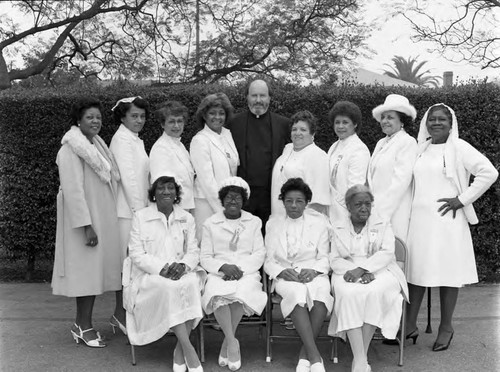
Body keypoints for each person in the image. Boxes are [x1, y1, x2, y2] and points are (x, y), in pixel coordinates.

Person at [405, 104, 498, 352]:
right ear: (426, 123)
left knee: (447, 275)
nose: (436, 123)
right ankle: (410, 324)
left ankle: (446, 327)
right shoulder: (420, 149)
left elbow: (488, 172)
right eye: (432, 119)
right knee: (416, 273)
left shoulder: (459, 147)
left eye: (441, 119)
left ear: (451, 122)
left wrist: (463, 199)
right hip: (419, 222)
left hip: (447, 223)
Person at [52, 98, 123, 348]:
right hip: (83, 223)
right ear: (78, 121)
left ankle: (83, 324)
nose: (96, 121)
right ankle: (82, 325)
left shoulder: (97, 145)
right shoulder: (70, 149)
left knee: (93, 275)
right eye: (90, 117)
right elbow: (73, 191)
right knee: (85, 275)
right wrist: (86, 225)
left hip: (99, 219)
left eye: (98, 117)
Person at [123, 176, 205, 372]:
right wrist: (163, 268)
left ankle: (179, 350)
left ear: (177, 194)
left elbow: (193, 251)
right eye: (161, 188)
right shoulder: (141, 217)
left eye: (170, 188)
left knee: (192, 283)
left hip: (182, 271)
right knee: (170, 287)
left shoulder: (187, 217)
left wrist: (184, 266)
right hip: (149, 275)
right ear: (154, 193)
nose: (166, 192)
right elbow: (136, 253)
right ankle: (189, 349)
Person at [328, 185, 408, 372]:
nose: (364, 208)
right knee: (347, 294)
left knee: (374, 292)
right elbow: (334, 259)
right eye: (358, 204)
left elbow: (387, 252)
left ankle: (359, 360)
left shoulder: (383, 222)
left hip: (382, 269)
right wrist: (356, 270)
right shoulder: (337, 226)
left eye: (367, 204)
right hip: (346, 270)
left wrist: (365, 269)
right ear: (348, 206)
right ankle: (361, 359)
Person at [265, 178, 333, 372]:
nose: (293, 205)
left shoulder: (319, 223)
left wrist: (315, 271)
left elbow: (325, 256)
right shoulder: (273, 224)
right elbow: (268, 259)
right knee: (296, 295)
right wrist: (280, 271)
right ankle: (314, 356)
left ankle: (305, 355)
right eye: (289, 201)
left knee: (320, 294)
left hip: (313, 272)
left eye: (299, 201)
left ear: (306, 202)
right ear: (283, 201)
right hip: (286, 276)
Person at [200, 177, 267, 371]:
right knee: (219, 292)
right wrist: (223, 267)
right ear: (222, 200)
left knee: (241, 293)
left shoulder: (254, 222)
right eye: (229, 198)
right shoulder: (210, 223)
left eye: (237, 198)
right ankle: (232, 343)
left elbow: (259, 253)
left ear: (243, 201)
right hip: (219, 273)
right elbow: (205, 256)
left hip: (247, 272)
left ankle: (227, 343)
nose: (233, 202)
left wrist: (240, 270)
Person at [226, 79, 290, 229]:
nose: (258, 100)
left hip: (272, 196)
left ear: (269, 98)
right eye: (254, 96)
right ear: (247, 97)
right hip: (243, 196)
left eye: (263, 95)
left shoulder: (284, 125)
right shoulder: (233, 124)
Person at [368, 94, 418, 240]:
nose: (384, 121)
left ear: (402, 120)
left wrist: (383, 212)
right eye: (383, 117)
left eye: (390, 117)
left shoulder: (407, 142)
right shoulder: (380, 143)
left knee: (393, 254)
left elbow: (400, 182)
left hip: (395, 211)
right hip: (375, 209)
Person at [190, 93, 239, 241]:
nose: (217, 117)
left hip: (227, 201)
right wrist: (222, 210)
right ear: (204, 115)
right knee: (207, 244)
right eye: (212, 113)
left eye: (221, 113)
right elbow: (207, 181)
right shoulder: (199, 140)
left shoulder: (227, 134)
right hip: (206, 204)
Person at [109, 95, 150, 259]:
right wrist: (139, 211)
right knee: (126, 257)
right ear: (122, 118)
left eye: (142, 116)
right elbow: (128, 179)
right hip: (127, 210)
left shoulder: (134, 139)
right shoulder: (122, 140)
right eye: (134, 116)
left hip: (136, 208)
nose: (139, 120)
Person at [271, 110, 329, 217]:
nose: (297, 133)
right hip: (278, 219)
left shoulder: (318, 156)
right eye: (294, 129)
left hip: (302, 224)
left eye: (303, 130)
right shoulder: (287, 149)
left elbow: (318, 201)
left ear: (313, 134)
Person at [327, 101, 370, 223]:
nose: (340, 126)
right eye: (337, 122)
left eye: (345, 122)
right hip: (330, 210)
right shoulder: (334, 146)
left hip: (346, 213)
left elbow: (355, 187)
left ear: (355, 124)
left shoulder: (359, 149)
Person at [150, 101, 195, 212]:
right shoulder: (160, 148)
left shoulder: (180, 145)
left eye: (179, 121)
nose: (176, 126)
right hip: (173, 209)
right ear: (162, 124)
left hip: (186, 207)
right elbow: (161, 185)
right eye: (171, 122)